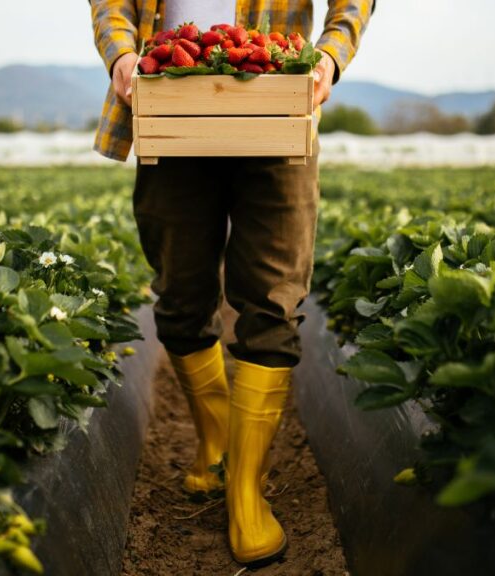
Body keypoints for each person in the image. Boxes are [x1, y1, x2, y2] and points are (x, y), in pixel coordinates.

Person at [89, 0, 374, 566]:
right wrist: (122, 54)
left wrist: (329, 58)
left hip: (275, 100)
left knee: (272, 298)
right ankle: (215, 443)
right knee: (180, 291)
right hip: (169, 94)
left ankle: (246, 491)